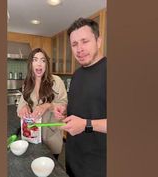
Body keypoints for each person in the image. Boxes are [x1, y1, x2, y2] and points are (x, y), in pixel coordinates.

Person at [54, 18, 107, 177]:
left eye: (85, 41)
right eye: (74, 44)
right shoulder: (77, 75)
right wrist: (65, 111)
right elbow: (83, 107)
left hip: (98, 166)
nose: (79, 49)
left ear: (98, 41)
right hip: (72, 159)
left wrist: (86, 125)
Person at [17, 48, 67, 159]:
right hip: (31, 137)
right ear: (31, 64)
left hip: (51, 138)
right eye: (35, 60)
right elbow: (20, 106)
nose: (39, 64)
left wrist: (49, 105)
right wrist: (24, 107)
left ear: (46, 64)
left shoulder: (57, 81)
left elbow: (64, 106)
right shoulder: (27, 84)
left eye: (43, 60)